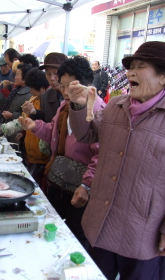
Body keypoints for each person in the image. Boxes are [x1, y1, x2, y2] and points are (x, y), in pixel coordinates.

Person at [67, 41, 165, 280]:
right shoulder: (116, 106)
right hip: (101, 223)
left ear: (164, 76)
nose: (130, 72)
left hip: (143, 234)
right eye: (130, 66)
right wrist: (78, 106)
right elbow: (87, 134)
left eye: (140, 67)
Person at [18, 56, 105, 248]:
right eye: (63, 86)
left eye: (70, 86)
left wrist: (87, 185)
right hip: (59, 181)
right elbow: (54, 134)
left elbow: (102, 155)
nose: (65, 92)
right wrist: (35, 126)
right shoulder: (65, 107)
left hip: (79, 187)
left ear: (85, 84)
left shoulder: (98, 111)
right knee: (57, 228)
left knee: (76, 235)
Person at [22, 52, 68, 123]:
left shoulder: (78, 94)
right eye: (48, 74)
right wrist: (34, 112)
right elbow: (45, 120)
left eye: (56, 73)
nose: (52, 78)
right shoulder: (45, 97)